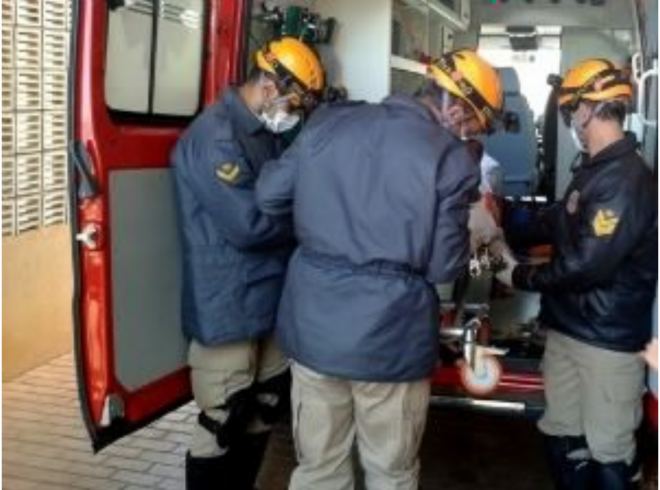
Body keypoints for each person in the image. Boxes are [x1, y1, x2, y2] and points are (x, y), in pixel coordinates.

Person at [256, 49, 504, 490]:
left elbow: (270, 196)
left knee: (317, 469)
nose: (465, 134)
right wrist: (477, 232)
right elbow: (444, 266)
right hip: (390, 342)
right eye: (468, 122)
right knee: (390, 474)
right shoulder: (450, 160)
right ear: (451, 105)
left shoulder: (329, 121)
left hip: (314, 331)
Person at [494, 58, 658, 490]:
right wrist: (506, 216)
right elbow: (560, 218)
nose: (571, 120)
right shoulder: (593, 167)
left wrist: (519, 276)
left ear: (589, 108)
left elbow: (587, 265)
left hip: (606, 341)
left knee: (609, 451)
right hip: (568, 327)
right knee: (562, 432)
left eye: (571, 110)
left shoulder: (628, 180)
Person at [170, 37, 325, 490]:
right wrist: (310, 223)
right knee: (226, 418)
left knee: (266, 406)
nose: (294, 113)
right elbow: (250, 224)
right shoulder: (214, 136)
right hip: (227, 301)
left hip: (269, 297)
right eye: (294, 102)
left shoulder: (263, 134)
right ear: (269, 85)